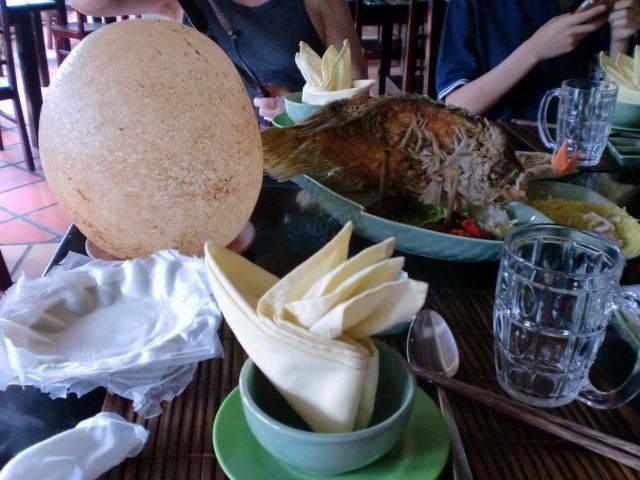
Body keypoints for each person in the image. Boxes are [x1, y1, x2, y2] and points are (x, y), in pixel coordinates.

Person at [70, 0, 368, 121]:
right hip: (222, 167)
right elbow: (89, 4)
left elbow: (358, 98)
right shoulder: (181, 3)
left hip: (306, 163)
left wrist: (300, 107)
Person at [436, 0, 640, 120]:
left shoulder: (610, 8)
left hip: (584, 157)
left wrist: (619, 40)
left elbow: (612, 117)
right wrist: (532, 50)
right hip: (496, 154)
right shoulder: (473, 5)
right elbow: (456, 106)